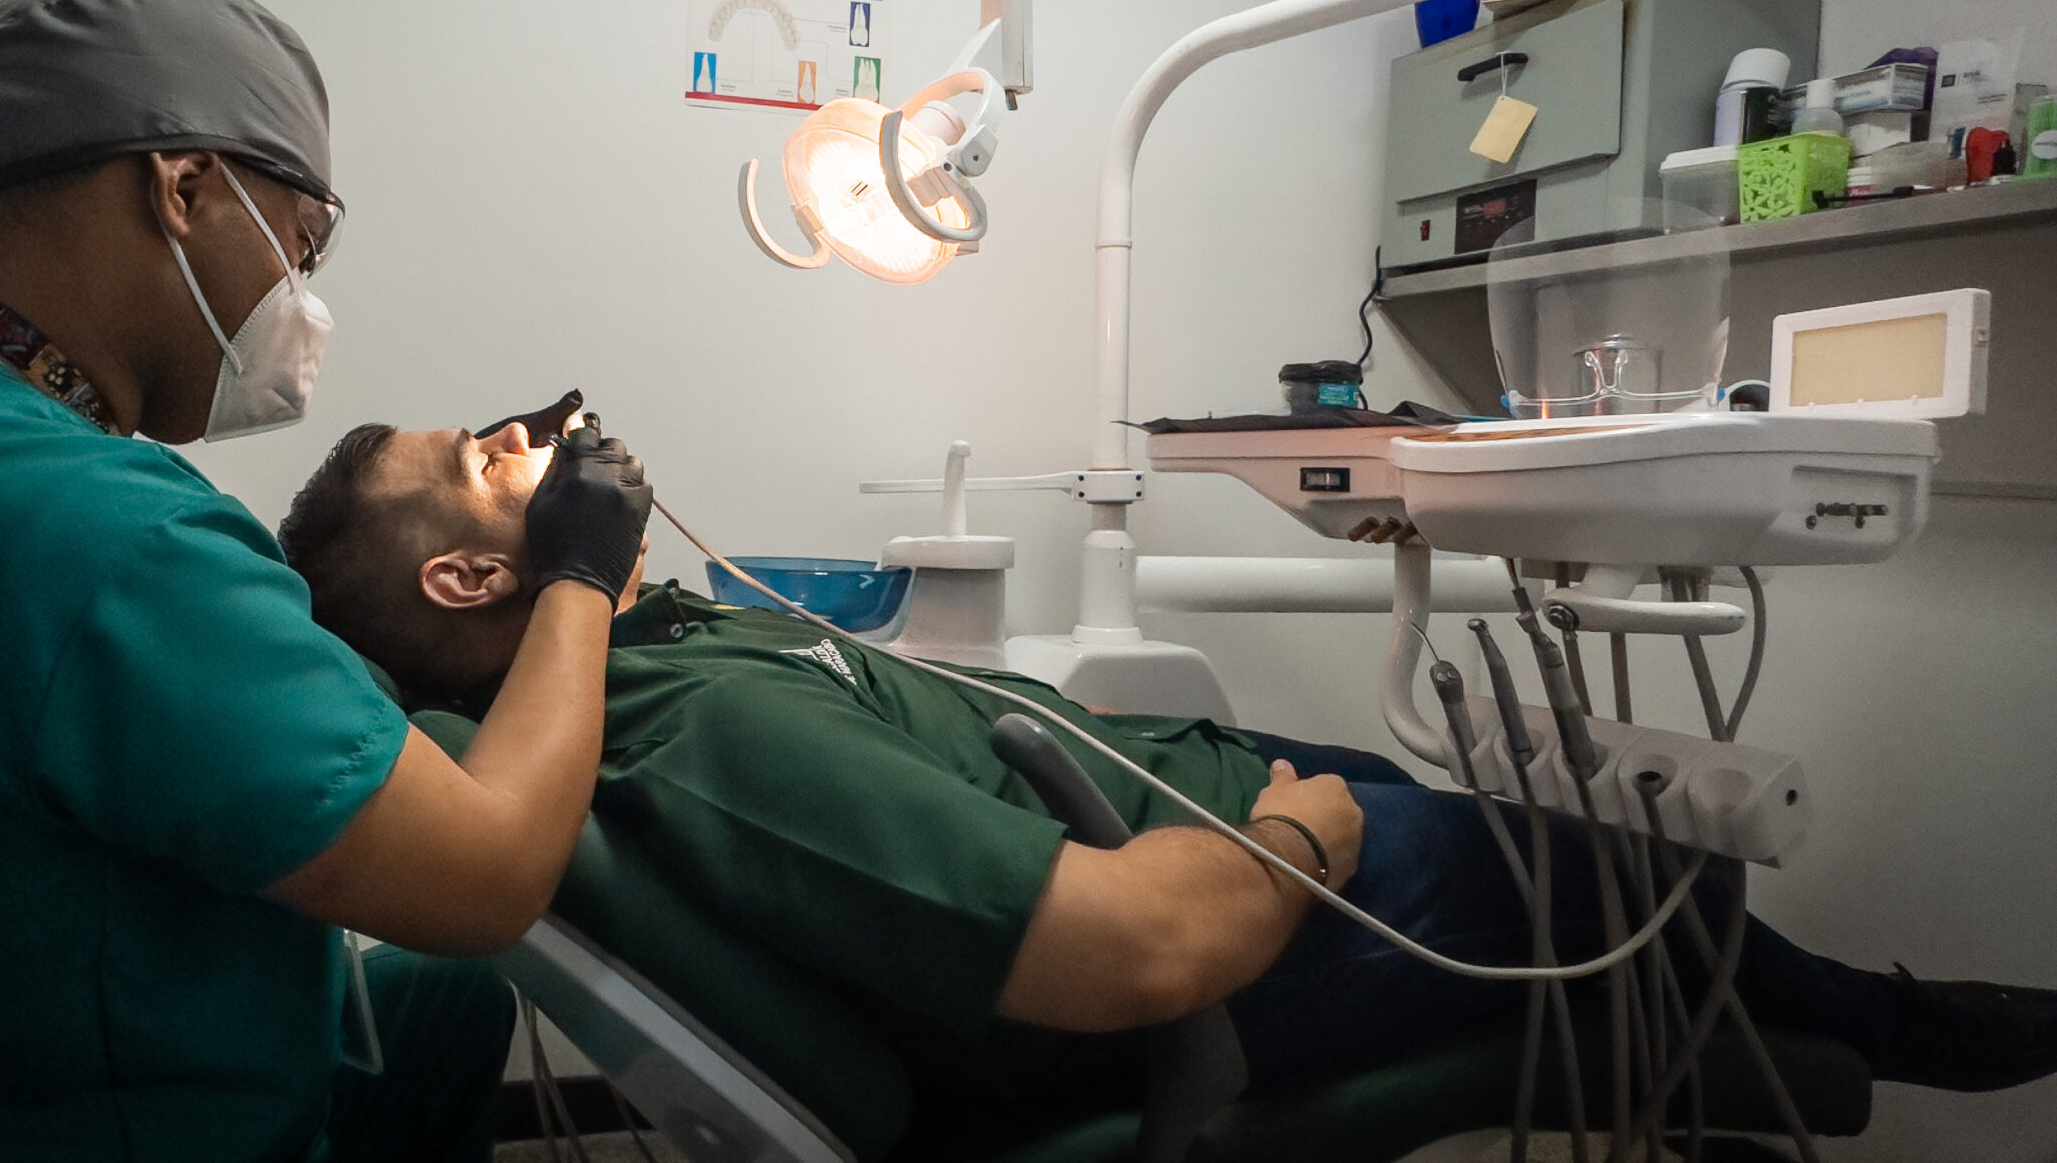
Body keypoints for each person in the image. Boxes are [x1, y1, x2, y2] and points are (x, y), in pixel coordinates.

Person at [278, 417, 2057, 1145]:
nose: (546, 442)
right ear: (475, 578)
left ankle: (1852, 1018)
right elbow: (1134, 950)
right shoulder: (696, 733)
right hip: (1235, 924)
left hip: (1197, 804)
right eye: (490, 457)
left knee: (1611, 885)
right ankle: (1897, 1029)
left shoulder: (648, 656)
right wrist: (1296, 834)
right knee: (1642, 886)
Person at [0, 0, 654, 1163]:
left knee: (448, 1009)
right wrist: (584, 574)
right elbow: (485, 883)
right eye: (299, 248)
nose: (296, 299)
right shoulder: (94, 529)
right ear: (185, 188)